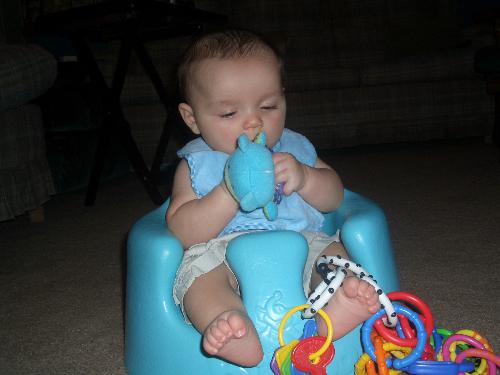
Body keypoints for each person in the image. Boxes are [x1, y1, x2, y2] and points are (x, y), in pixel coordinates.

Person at [166, 29, 381, 367]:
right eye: (228, 114)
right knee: (200, 280)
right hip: (221, 251)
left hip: (302, 240)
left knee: (333, 256)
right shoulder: (198, 163)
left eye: (268, 106)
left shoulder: (294, 149)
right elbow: (182, 230)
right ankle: (230, 325)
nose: (253, 121)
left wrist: (306, 177)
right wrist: (228, 193)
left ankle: (338, 302)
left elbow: (336, 197)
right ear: (193, 119)